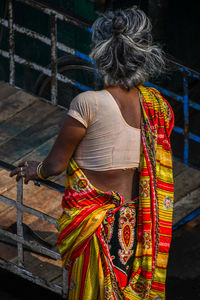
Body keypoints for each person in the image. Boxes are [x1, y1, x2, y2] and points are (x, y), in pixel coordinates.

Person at [10, 7, 174, 300]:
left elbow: (56, 164)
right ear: (143, 54)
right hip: (136, 226)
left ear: (98, 54)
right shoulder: (157, 107)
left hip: (95, 230)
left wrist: (36, 170)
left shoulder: (88, 104)